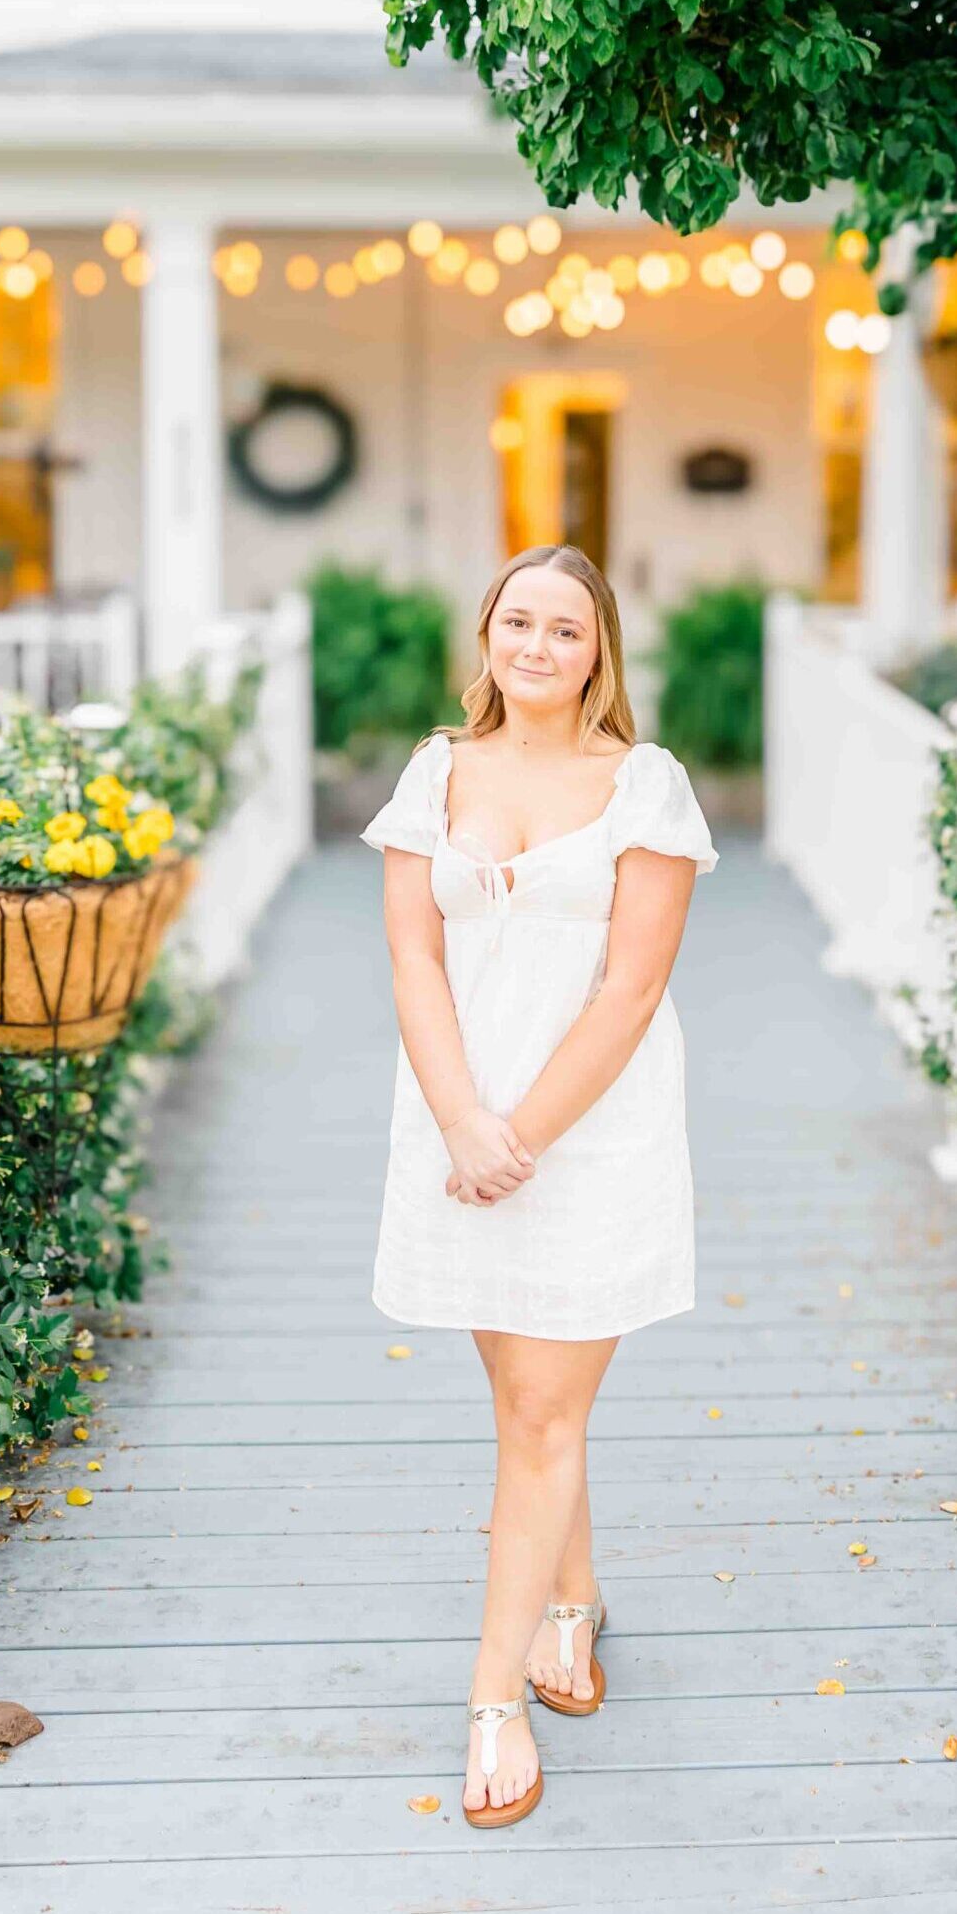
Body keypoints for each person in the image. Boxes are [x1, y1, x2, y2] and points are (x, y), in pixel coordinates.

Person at [359, 542, 719, 1827]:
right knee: (526, 1399)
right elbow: (413, 955)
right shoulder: (436, 770)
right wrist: (466, 1121)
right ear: (489, 634)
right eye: (518, 620)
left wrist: (521, 1135)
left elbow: (633, 987)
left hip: (592, 1135)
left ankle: (494, 1695)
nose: (537, 645)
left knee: (542, 1420)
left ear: (599, 650)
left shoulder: (647, 786)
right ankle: (573, 1603)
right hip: (457, 1130)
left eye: (565, 629)